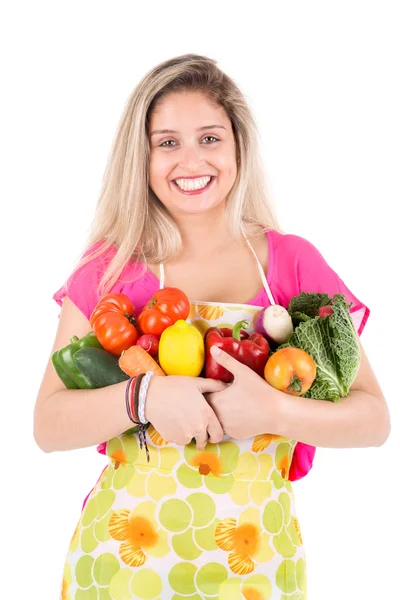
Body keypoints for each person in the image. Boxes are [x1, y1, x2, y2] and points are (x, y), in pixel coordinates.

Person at [34, 53, 390, 600]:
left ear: (238, 147)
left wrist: (274, 410)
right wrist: (145, 398)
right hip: (124, 564)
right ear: (142, 157)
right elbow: (49, 426)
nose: (190, 160)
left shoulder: (292, 263)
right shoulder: (110, 267)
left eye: (210, 138)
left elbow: (373, 420)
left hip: (259, 565)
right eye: (167, 142)